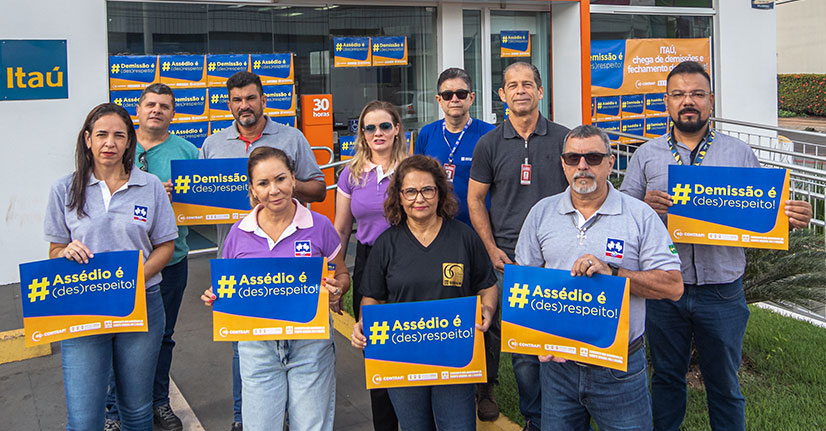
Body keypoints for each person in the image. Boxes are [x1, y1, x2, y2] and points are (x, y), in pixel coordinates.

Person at [620, 60, 813, 431]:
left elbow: (762, 208)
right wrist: (643, 205)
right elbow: (623, 216)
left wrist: (790, 214)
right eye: (678, 94)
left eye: (696, 94)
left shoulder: (738, 153)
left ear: (711, 100)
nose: (687, 101)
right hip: (664, 291)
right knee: (665, 380)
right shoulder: (646, 155)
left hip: (722, 291)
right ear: (667, 102)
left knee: (725, 385)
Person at [515, 124, 683, 430]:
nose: (582, 166)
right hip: (559, 369)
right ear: (563, 163)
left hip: (618, 367)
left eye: (592, 157)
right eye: (572, 158)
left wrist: (616, 274)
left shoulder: (639, 215)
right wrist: (535, 338)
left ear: (609, 162)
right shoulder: (541, 213)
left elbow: (673, 286)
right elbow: (524, 284)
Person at [200, 71, 326, 431]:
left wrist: (280, 185)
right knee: (248, 348)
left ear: (263, 100)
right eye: (237, 100)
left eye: (251, 98)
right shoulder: (213, 144)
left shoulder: (292, 137)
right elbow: (199, 199)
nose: (244, 106)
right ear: (229, 104)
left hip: (293, 265)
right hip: (241, 260)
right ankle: (247, 418)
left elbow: (318, 190)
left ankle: (291, 415)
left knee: (299, 349)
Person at [44, 103, 178, 430]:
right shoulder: (64, 189)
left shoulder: (150, 187)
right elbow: (55, 250)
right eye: (101, 134)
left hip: (141, 304)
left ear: (129, 142)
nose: (110, 143)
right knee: (84, 417)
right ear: (87, 140)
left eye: (119, 135)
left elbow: (165, 246)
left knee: (136, 410)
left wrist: (132, 281)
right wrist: (65, 252)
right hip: (84, 307)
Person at [200, 147, 350, 431]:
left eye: (280, 179)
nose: (274, 190)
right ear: (252, 189)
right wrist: (215, 295)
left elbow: (342, 273)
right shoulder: (238, 232)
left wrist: (337, 288)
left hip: (310, 343)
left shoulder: (319, 225)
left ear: (293, 179)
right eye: (263, 183)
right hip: (257, 347)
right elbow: (226, 286)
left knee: (311, 426)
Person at [350, 155, 499, 431]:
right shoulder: (386, 244)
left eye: (427, 190)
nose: (419, 198)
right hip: (402, 360)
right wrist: (363, 323)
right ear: (399, 196)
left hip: (455, 358)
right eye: (410, 191)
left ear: (440, 193)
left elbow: (487, 284)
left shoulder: (463, 237)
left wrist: (487, 310)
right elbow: (372, 297)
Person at [467, 61, 569, 431]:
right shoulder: (489, 143)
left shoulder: (564, 139)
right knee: (524, 352)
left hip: (558, 262)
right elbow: (475, 199)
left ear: (541, 91)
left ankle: (564, 414)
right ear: (502, 94)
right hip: (509, 262)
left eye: (528, 84)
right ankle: (536, 419)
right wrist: (490, 248)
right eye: (513, 85)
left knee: (561, 346)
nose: (520, 90)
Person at [104, 83, 199, 431]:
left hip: (171, 260)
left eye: (164, 106)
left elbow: (204, 203)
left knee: (163, 336)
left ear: (173, 113)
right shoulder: (119, 149)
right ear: (138, 110)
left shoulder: (189, 152)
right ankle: (113, 411)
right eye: (150, 104)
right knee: (116, 335)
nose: (157, 110)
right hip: (119, 267)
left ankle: (159, 402)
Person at [415, 67, 499, 421]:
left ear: (472, 98)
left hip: (478, 235)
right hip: (436, 235)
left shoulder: (488, 134)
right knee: (445, 309)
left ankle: (486, 387)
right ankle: (446, 369)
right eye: (447, 94)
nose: (454, 100)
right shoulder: (426, 134)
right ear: (438, 100)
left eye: (461, 94)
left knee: (484, 313)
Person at [334, 100, 407, 431]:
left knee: (414, 340)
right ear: (362, 133)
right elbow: (341, 229)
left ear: (397, 130)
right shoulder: (351, 174)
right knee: (376, 347)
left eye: (385, 126)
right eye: (370, 127)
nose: (378, 133)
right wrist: (338, 271)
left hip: (411, 263)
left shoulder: (413, 168)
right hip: (368, 263)